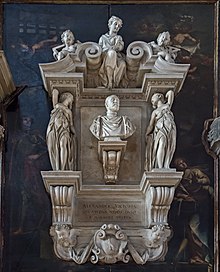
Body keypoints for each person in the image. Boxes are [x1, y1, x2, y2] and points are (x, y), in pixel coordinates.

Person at [171, 158, 213, 264]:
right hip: (190, 207)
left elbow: (206, 180)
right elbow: (177, 194)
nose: (183, 164)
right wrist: (183, 197)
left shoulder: (194, 172)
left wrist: (198, 181)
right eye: (180, 164)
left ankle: (204, 255)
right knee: (189, 232)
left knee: (196, 229)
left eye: (183, 162)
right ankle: (196, 256)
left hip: (202, 204)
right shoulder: (179, 179)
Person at [145, 90, 176, 170]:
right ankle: (160, 166)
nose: (152, 100)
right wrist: (147, 133)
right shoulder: (155, 112)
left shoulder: (167, 106)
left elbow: (171, 93)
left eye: (153, 97)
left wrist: (166, 95)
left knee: (169, 146)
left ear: (159, 96)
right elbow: (151, 125)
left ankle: (166, 165)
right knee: (161, 143)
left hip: (170, 128)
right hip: (160, 129)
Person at [46, 89, 77, 170]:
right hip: (54, 128)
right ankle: (57, 168)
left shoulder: (68, 111)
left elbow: (71, 125)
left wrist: (74, 135)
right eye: (70, 98)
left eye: (72, 99)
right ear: (66, 97)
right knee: (54, 147)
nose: (71, 100)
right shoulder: (58, 105)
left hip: (65, 129)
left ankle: (62, 169)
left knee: (63, 145)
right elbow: (55, 99)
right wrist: (55, 92)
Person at [98, 16, 127, 89]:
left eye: (119, 26)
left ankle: (115, 83)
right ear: (110, 24)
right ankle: (109, 81)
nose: (117, 27)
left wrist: (117, 47)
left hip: (117, 57)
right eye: (115, 24)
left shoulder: (118, 38)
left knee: (123, 64)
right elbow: (99, 49)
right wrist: (109, 49)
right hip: (105, 56)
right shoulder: (103, 37)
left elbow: (121, 47)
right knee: (111, 53)